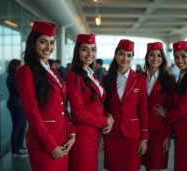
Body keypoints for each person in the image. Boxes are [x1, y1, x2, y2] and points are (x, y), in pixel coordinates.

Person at [16, 21, 75, 171]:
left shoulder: (53, 71)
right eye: (43, 42)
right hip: (45, 143)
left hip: (62, 139)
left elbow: (62, 106)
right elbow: (32, 112)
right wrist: (51, 144)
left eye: (52, 42)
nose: (49, 47)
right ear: (33, 43)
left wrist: (72, 132)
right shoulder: (26, 71)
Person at [66, 34, 114, 171]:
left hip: (94, 133)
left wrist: (109, 116)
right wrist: (105, 121)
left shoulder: (91, 74)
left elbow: (98, 103)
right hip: (83, 136)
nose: (89, 54)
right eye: (84, 49)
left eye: (93, 49)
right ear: (77, 51)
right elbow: (78, 113)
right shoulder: (74, 76)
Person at [155, 41, 187, 171]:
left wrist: (166, 114)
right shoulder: (182, 76)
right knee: (183, 165)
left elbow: (183, 109)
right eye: (176, 57)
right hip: (181, 131)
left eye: (184, 56)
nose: (180, 60)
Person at [103, 39, 148, 171]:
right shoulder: (107, 79)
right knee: (114, 167)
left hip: (132, 134)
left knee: (131, 167)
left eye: (129, 55)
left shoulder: (140, 80)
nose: (125, 58)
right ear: (116, 55)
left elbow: (143, 109)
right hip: (112, 133)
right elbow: (103, 107)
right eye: (122, 54)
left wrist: (144, 138)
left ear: (132, 57)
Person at [141, 42, 174, 171]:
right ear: (147, 57)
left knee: (154, 166)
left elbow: (171, 108)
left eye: (159, 55)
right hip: (140, 129)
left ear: (163, 58)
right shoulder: (139, 78)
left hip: (159, 131)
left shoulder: (169, 80)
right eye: (152, 55)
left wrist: (168, 136)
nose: (155, 58)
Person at [6, 59, 28, 157]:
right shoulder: (13, 77)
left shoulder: (15, 76)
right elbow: (20, 91)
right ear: (15, 66)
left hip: (19, 104)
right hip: (16, 105)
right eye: (20, 65)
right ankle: (15, 150)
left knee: (22, 126)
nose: (22, 67)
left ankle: (19, 146)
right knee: (17, 127)